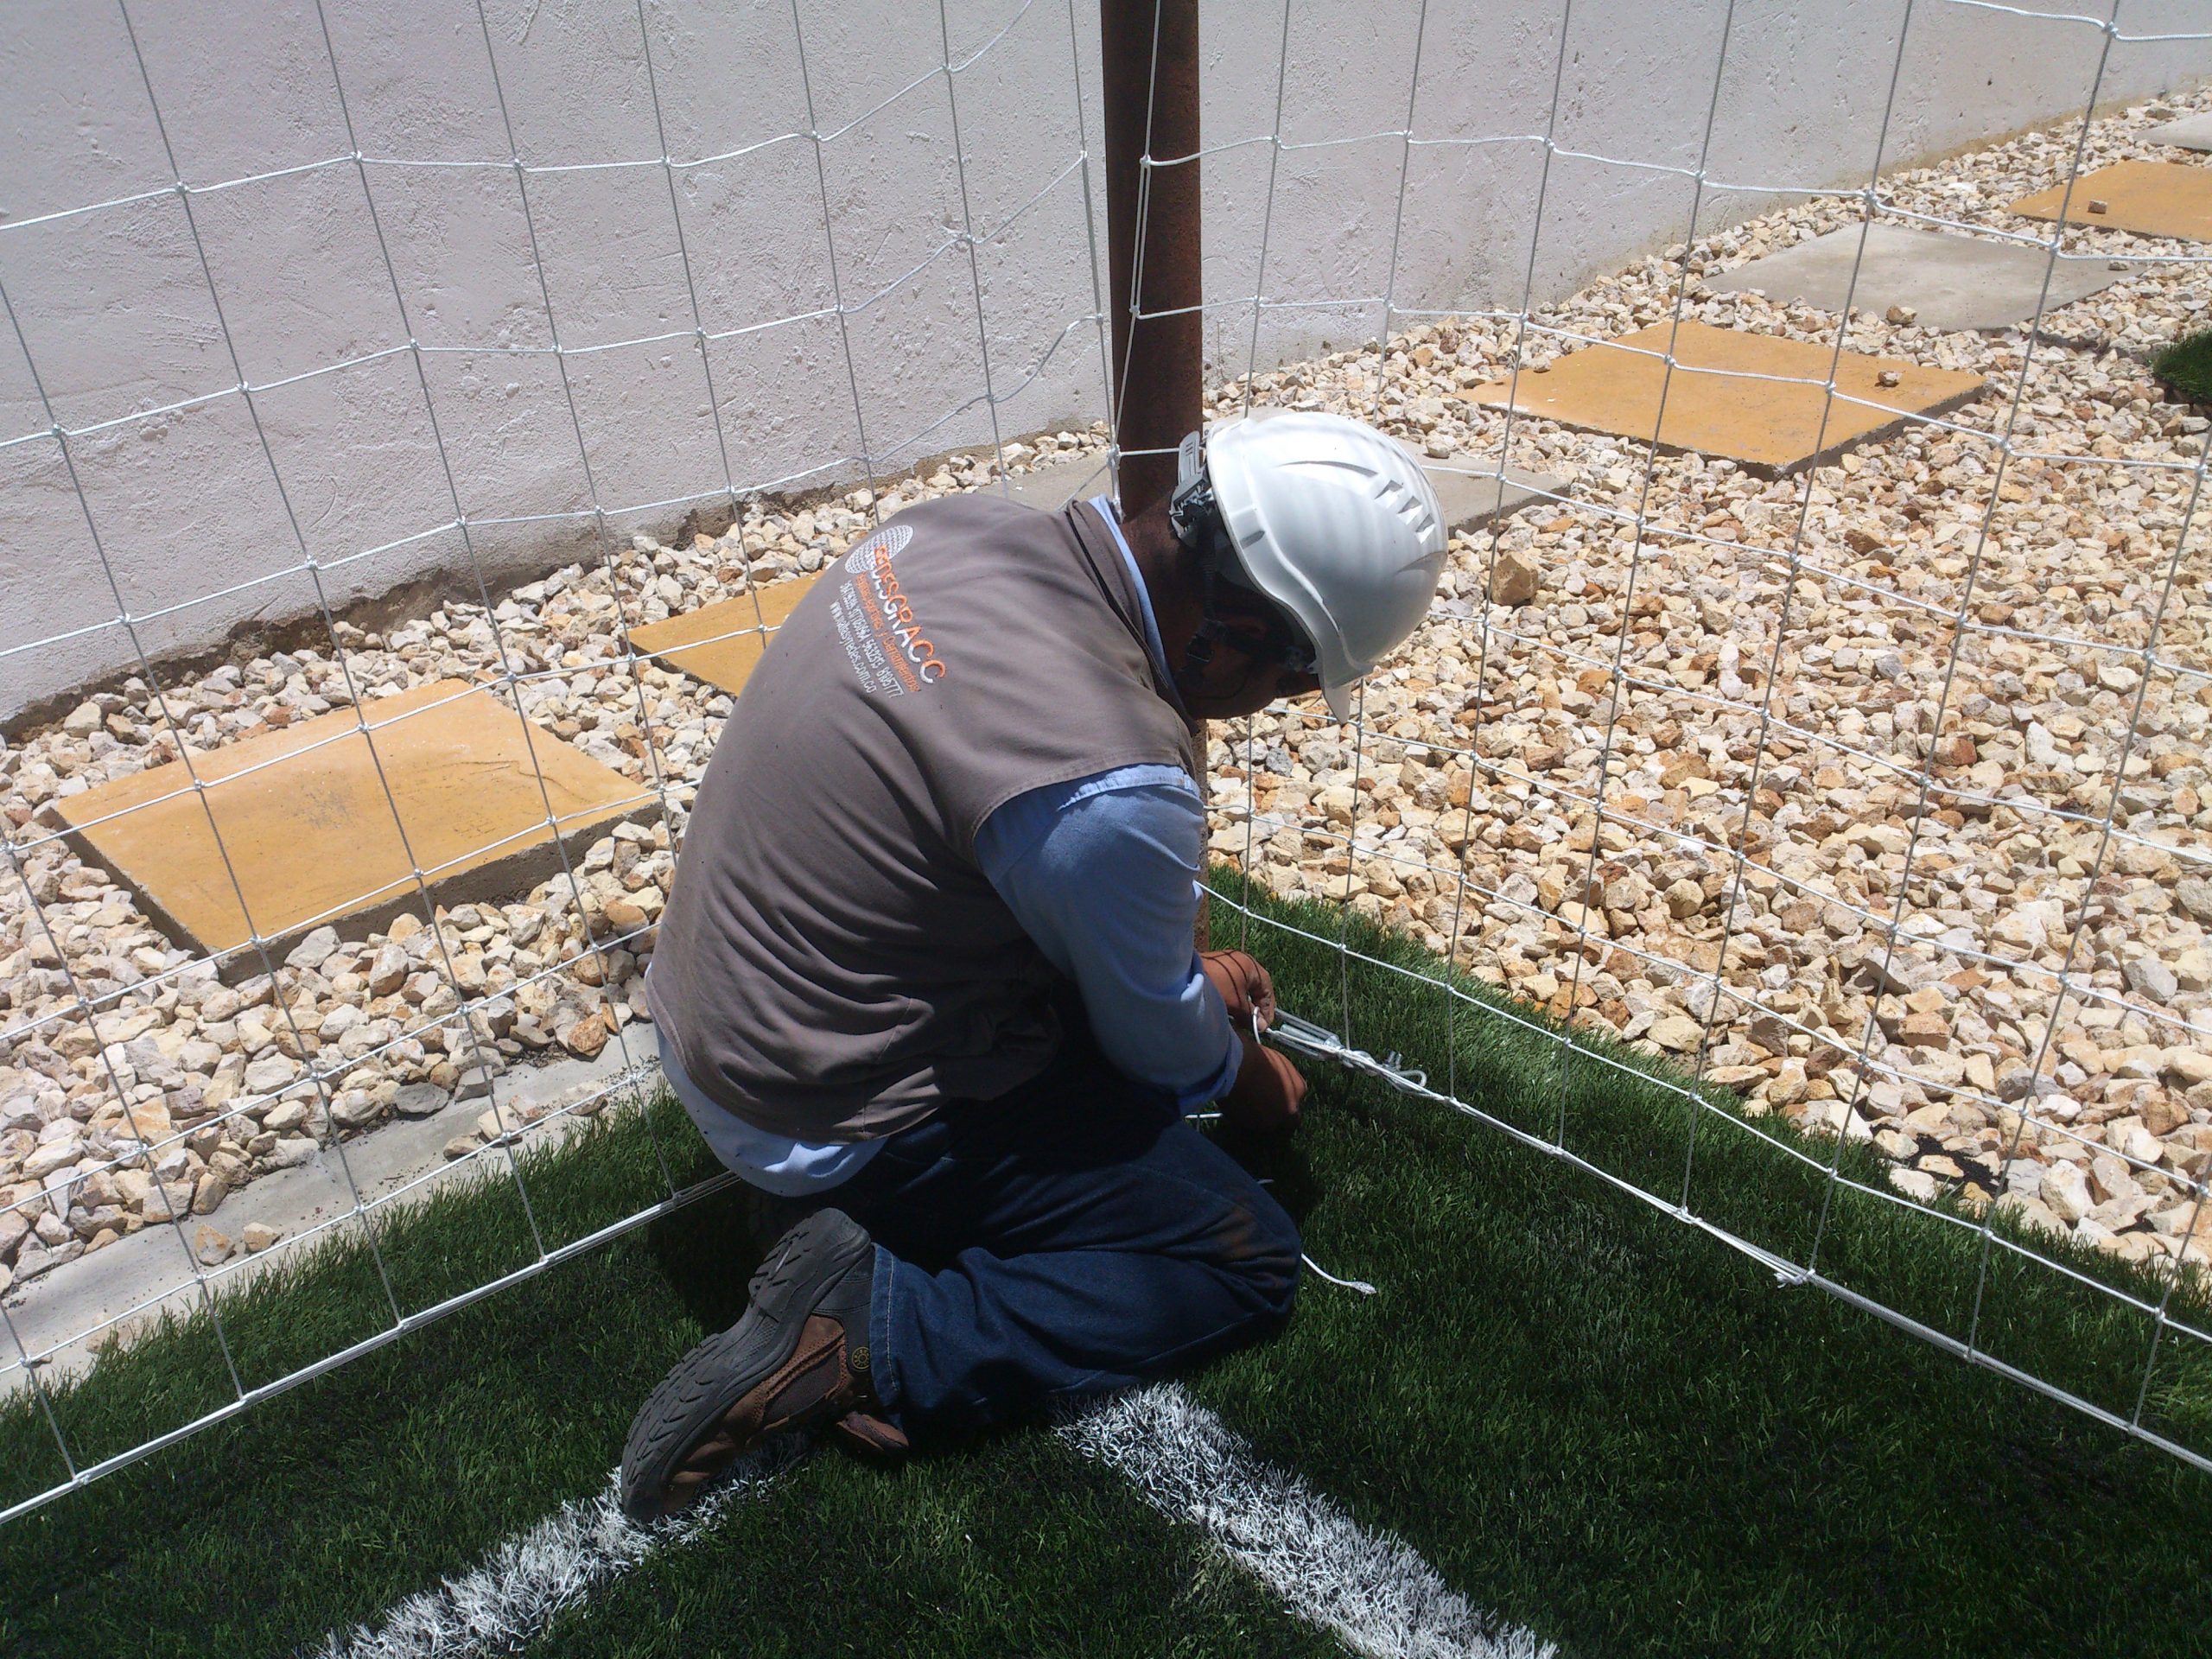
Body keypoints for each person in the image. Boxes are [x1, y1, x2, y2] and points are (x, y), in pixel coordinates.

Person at [619, 410, 1447, 1520]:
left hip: (719, 1024)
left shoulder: (955, 530)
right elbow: (1157, 1049)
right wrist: (1247, 1077)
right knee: (1239, 1256)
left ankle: (831, 1223)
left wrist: (1182, 975)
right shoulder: (1111, 776)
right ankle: (873, 1327)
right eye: (1297, 680)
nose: (1277, 706)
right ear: (1244, 630)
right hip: (821, 1102)